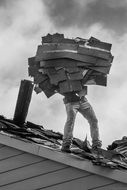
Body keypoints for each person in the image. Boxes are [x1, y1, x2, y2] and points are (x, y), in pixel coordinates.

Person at [61, 87, 102, 153]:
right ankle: (66, 144)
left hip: (83, 101)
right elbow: (58, 88)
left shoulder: (80, 76)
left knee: (94, 120)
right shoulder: (62, 77)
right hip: (70, 101)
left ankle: (96, 145)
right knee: (70, 121)